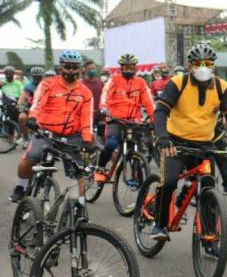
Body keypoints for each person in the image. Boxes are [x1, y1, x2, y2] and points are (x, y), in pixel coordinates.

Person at [151, 43, 227, 241]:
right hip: (175, 143)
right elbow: (161, 111)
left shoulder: (222, 87)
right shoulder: (178, 83)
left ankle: (210, 238)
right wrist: (163, 138)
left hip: (205, 145)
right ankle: (159, 224)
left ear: (213, 66)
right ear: (190, 66)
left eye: (208, 63)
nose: (203, 67)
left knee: (207, 188)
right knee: (169, 182)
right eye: (198, 63)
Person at [9, 51, 94, 203]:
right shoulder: (47, 83)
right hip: (45, 132)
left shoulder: (85, 92)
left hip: (71, 136)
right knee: (30, 158)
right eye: (68, 67)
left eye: (75, 67)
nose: (71, 71)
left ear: (80, 69)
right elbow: (37, 103)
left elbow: (87, 118)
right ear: (61, 67)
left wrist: (87, 139)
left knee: (78, 173)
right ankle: (20, 187)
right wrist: (32, 118)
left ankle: (78, 207)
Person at [96, 54, 155, 174]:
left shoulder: (141, 82)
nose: (128, 70)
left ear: (135, 68)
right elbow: (104, 96)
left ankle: (137, 173)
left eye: (131, 67)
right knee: (111, 144)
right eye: (125, 67)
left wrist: (154, 118)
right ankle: (100, 168)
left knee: (139, 147)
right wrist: (103, 109)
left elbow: (149, 102)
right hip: (115, 120)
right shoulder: (113, 80)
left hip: (134, 121)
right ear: (121, 68)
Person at [18, 66, 44, 142]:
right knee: (22, 117)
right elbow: (22, 97)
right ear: (32, 76)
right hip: (29, 107)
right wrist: (19, 105)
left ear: (42, 77)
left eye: (38, 77)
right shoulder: (28, 86)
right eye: (35, 76)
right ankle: (25, 137)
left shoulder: (46, 85)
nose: (37, 78)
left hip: (42, 108)